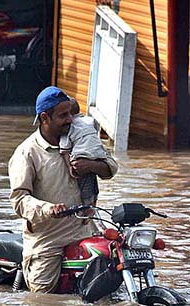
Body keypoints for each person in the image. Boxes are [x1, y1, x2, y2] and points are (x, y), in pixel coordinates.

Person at [8, 86, 118, 293]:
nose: (70, 119)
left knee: (113, 281)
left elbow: (110, 167)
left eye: (71, 113)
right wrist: (48, 209)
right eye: (63, 115)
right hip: (49, 238)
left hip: (85, 228)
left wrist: (91, 166)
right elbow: (19, 200)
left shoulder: (80, 136)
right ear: (45, 118)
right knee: (43, 303)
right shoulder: (27, 153)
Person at [59, 98, 106, 207]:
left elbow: (64, 150)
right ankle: (93, 203)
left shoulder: (69, 127)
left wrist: (69, 166)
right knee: (92, 181)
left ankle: (87, 208)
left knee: (85, 184)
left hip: (81, 157)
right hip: (98, 154)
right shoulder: (90, 121)